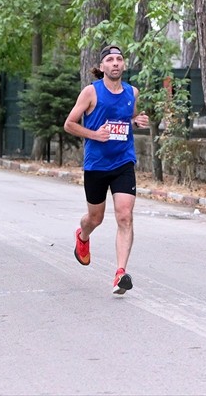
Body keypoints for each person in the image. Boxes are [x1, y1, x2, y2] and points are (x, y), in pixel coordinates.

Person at [63, 44, 149, 294]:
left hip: (123, 162)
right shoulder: (91, 92)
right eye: (110, 60)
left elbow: (128, 117)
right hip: (96, 165)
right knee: (95, 218)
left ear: (123, 65)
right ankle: (83, 236)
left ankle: (120, 273)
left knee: (125, 215)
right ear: (102, 67)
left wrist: (137, 120)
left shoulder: (132, 92)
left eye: (119, 59)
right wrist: (94, 134)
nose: (115, 63)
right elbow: (69, 124)